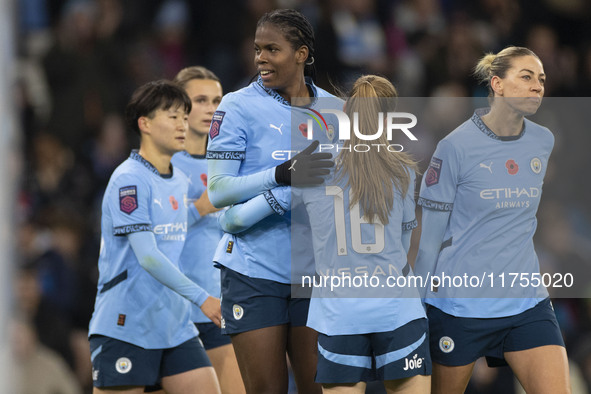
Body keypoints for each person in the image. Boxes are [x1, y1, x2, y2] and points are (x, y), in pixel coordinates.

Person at [219, 75, 432, 393]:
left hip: (339, 315)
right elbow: (402, 248)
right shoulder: (403, 171)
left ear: (345, 111)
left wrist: (257, 194)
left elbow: (234, 220)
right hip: (396, 311)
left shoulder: (314, 168)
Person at [414, 46, 571, 394]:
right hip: (459, 305)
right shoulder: (454, 147)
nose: (537, 87)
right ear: (497, 85)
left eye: (541, 80)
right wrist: (416, 308)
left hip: (526, 301)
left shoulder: (543, 141)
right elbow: (429, 242)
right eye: (526, 77)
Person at [206, 9, 336, 394]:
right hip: (252, 272)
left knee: (321, 389)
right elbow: (218, 192)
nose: (261, 58)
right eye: (257, 49)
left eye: (272, 49)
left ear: (301, 53)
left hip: (314, 272)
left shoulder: (336, 111)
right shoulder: (236, 106)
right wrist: (282, 177)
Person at [88, 80, 221, 394]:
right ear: (144, 124)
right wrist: (204, 299)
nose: (182, 125)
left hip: (174, 327)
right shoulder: (129, 180)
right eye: (172, 116)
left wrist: (200, 209)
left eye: (184, 117)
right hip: (127, 325)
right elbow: (147, 255)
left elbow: (169, 225)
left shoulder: (178, 179)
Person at [171, 66, 245, 394]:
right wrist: (199, 208)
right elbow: (146, 235)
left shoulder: (229, 164)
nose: (211, 108)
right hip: (172, 311)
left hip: (219, 307)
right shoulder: (163, 164)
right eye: (200, 100)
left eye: (217, 100)